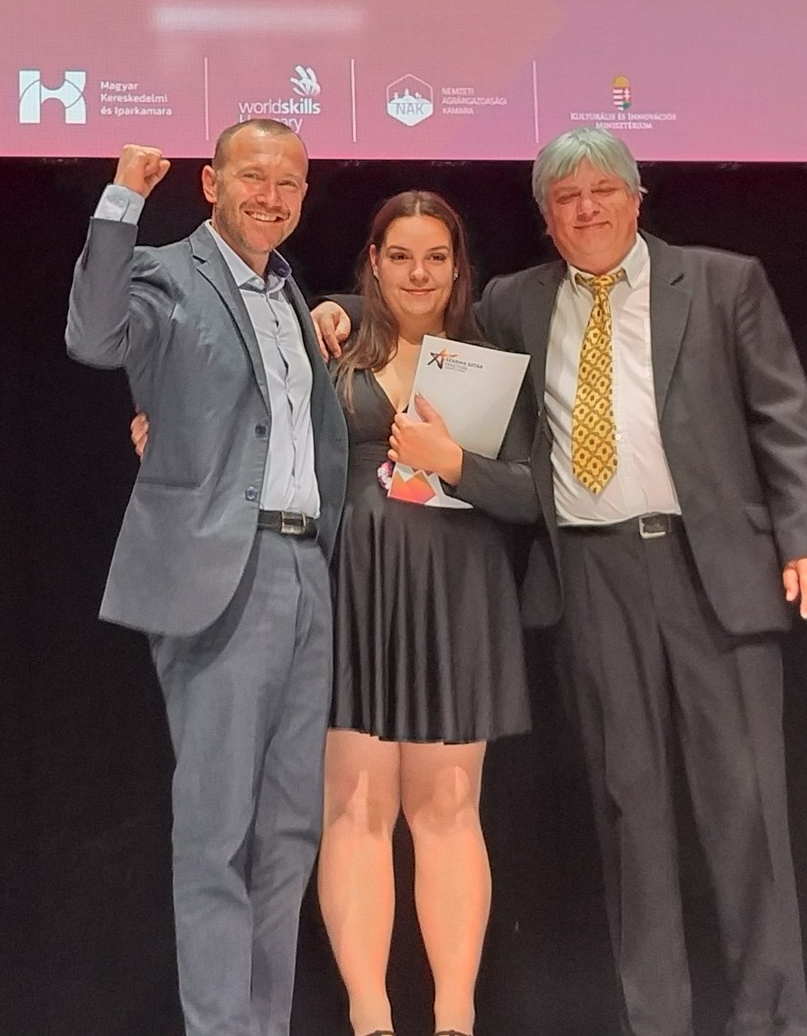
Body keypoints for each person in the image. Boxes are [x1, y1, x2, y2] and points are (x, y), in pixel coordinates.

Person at [316, 127, 807, 1036]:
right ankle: (657, 1025)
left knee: (746, 807)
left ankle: (772, 1023)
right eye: (566, 198)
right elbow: (413, 305)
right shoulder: (518, 302)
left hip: (709, 569)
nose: (587, 209)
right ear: (546, 220)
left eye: (603, 190)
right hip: (591, 574)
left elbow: (783, 415)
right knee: (631, 811)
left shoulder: (722, 282)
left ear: (638, 198)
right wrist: (329, 308)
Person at [65, 120, 348, 1036]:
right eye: (253, 176)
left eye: (289, 182)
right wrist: (122, 201)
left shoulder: (288, 290)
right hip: (226, 571)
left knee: (290, 832)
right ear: (211, 182)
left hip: (307, 569)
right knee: (217, 831)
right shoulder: (166, 273)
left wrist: (331, 314)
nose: (272, 195)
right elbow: (95, 337)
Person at [320, 191, 536, 1036]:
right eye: (402, 256)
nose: (419, 273)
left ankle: (454, 1019)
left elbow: (533, 492)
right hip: (356, 585)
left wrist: (454, 462)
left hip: (457, 587)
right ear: (374, 262)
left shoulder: (491, 359)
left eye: (436, 257)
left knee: (448, 806)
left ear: (458, 266)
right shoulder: (328, 343)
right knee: (356, 805)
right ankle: (370, 1017)